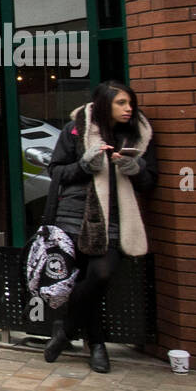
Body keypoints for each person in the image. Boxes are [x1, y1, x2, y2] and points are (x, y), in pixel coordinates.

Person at [43, 81, 157, 373]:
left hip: (117, 217)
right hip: (74, 216)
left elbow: (149, 181)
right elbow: (56, 171)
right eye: (121, 103)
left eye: (130, 102)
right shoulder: (76, 130)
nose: (129, 108)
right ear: (104, 105)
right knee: (82, 281)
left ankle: (66, 331)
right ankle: (97, 346)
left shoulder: (140, 134)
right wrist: (85, 164)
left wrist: (136, 169)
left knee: (99, 277)